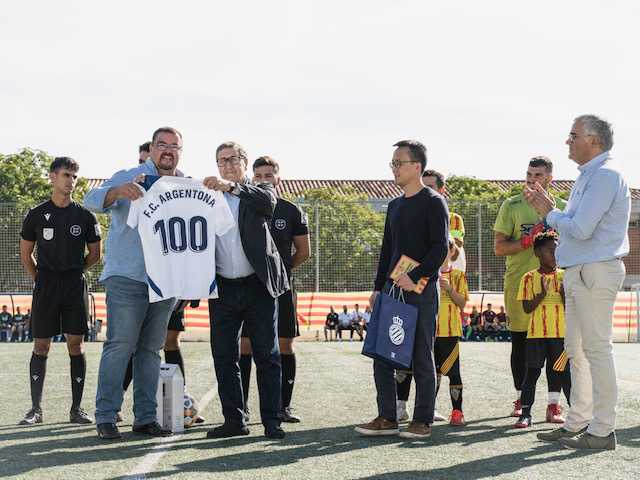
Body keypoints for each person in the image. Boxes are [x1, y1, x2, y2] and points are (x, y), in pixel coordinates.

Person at [525, 115, 630, 450]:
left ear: (593, 140)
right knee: (578, 351)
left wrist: (550, 212)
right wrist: (554, 213)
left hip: (593, 270)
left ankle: (602, 430)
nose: (567, 141)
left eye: (573, 135)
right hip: (581, 271)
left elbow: (581, 228)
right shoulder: (592, 176)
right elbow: (576, 226)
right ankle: (578, 422)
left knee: (596, 349)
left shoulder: (605, 176)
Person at [84, 127, 183, 440]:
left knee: (150, 350)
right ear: (152, 148)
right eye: (162, 144)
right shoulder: (130, 175)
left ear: (180, 150)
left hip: (165, 281)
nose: (168, 150)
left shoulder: (186, 184)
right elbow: (91, 199)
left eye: (174, 146)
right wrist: (117, 192)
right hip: (128, 276)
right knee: (120, 346)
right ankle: (106, 415)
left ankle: (145, 417)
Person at [355, 139, 448, 439]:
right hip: (392, 290)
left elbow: (440, 248)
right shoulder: (394, 205)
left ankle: (422, 420)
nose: (394, 168)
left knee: (421, 354)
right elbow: (387, 251)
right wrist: (377, 288)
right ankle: (387, 417)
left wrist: (417, 275)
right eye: (392, 163)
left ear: (416, 166)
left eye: (399, 163)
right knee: (382, 354)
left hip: (421, 291)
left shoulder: (434, 202)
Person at [203, 141, 289, 440]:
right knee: (224, 355)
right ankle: (234, 420)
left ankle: (272, 421)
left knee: (267, 354)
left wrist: (231, 187)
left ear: (244, 162)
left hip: (258, 285)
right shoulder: (207, 198)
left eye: (233, 159)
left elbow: (268, 204)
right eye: (221, 160)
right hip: (223, 287)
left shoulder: (259, 191)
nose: (227, 164)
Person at [19, 156, 101, 425]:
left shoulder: (85, 216)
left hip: (74, 285)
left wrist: (75, 271)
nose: (71, 181)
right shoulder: (35, 214)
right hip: (46, 285)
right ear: (53, 177)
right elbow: (26, 254)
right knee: (41, 345)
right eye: (67, 175)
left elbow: (95, 254)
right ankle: (35, 410)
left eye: (75, 177)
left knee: (75, 344)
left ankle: (76, 409)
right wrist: (41, 279)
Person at [239, 155, 310, 423]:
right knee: (244, 346)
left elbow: (304, 251)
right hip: (246, 287)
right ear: (251, 178)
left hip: (280, 288)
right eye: (258, 176)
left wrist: (280, 271)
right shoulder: (242, 204)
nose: (263, 180)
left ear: (278, 178)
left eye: (269, 175)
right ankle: (241, 408)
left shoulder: (291, 210)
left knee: (284, 345)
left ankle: (283, 407)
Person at [494, 156, 566, 416]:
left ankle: (553, 403)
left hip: (556, 288)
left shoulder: (563, 208)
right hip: (519, 286)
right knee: (521, 345)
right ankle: (520, 399)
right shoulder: (511, 205)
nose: (531, 180)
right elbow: (499, 247)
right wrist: (527, 240)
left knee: (556, 345)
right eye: (528, 175)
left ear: (549, 179)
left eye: (537, 175)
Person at [396, 239, 468, 426]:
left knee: (451, 371)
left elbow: (462, 303)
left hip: (449, 331)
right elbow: (413, 293)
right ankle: (401, 407)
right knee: (412, 367)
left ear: (452, 252)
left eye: (447, 248)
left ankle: (456, 411)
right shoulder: (426, 272)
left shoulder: (458, 275)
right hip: (425, 328)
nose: (443, 253)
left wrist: (450, 289)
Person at [514, 231, 571, 428]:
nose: (555, 254)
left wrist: (564, 295)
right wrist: (541, 294)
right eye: (550, 251)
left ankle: (559, 410)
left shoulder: (566, 276)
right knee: (532, 372)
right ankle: (526, 414)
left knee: (562, 372)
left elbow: (572, 308)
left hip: (560, 335)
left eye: (558, 250)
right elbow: (526, 308)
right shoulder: (529, 278)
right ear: (537, 253)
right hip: (536, 334)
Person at [422, 170, 466, 271]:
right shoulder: (413, 218)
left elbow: (454, 253)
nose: (424, 191)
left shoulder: (454, 219)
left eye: (429, 187)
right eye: (422, 188)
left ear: (442, 190)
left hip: (449, 278)